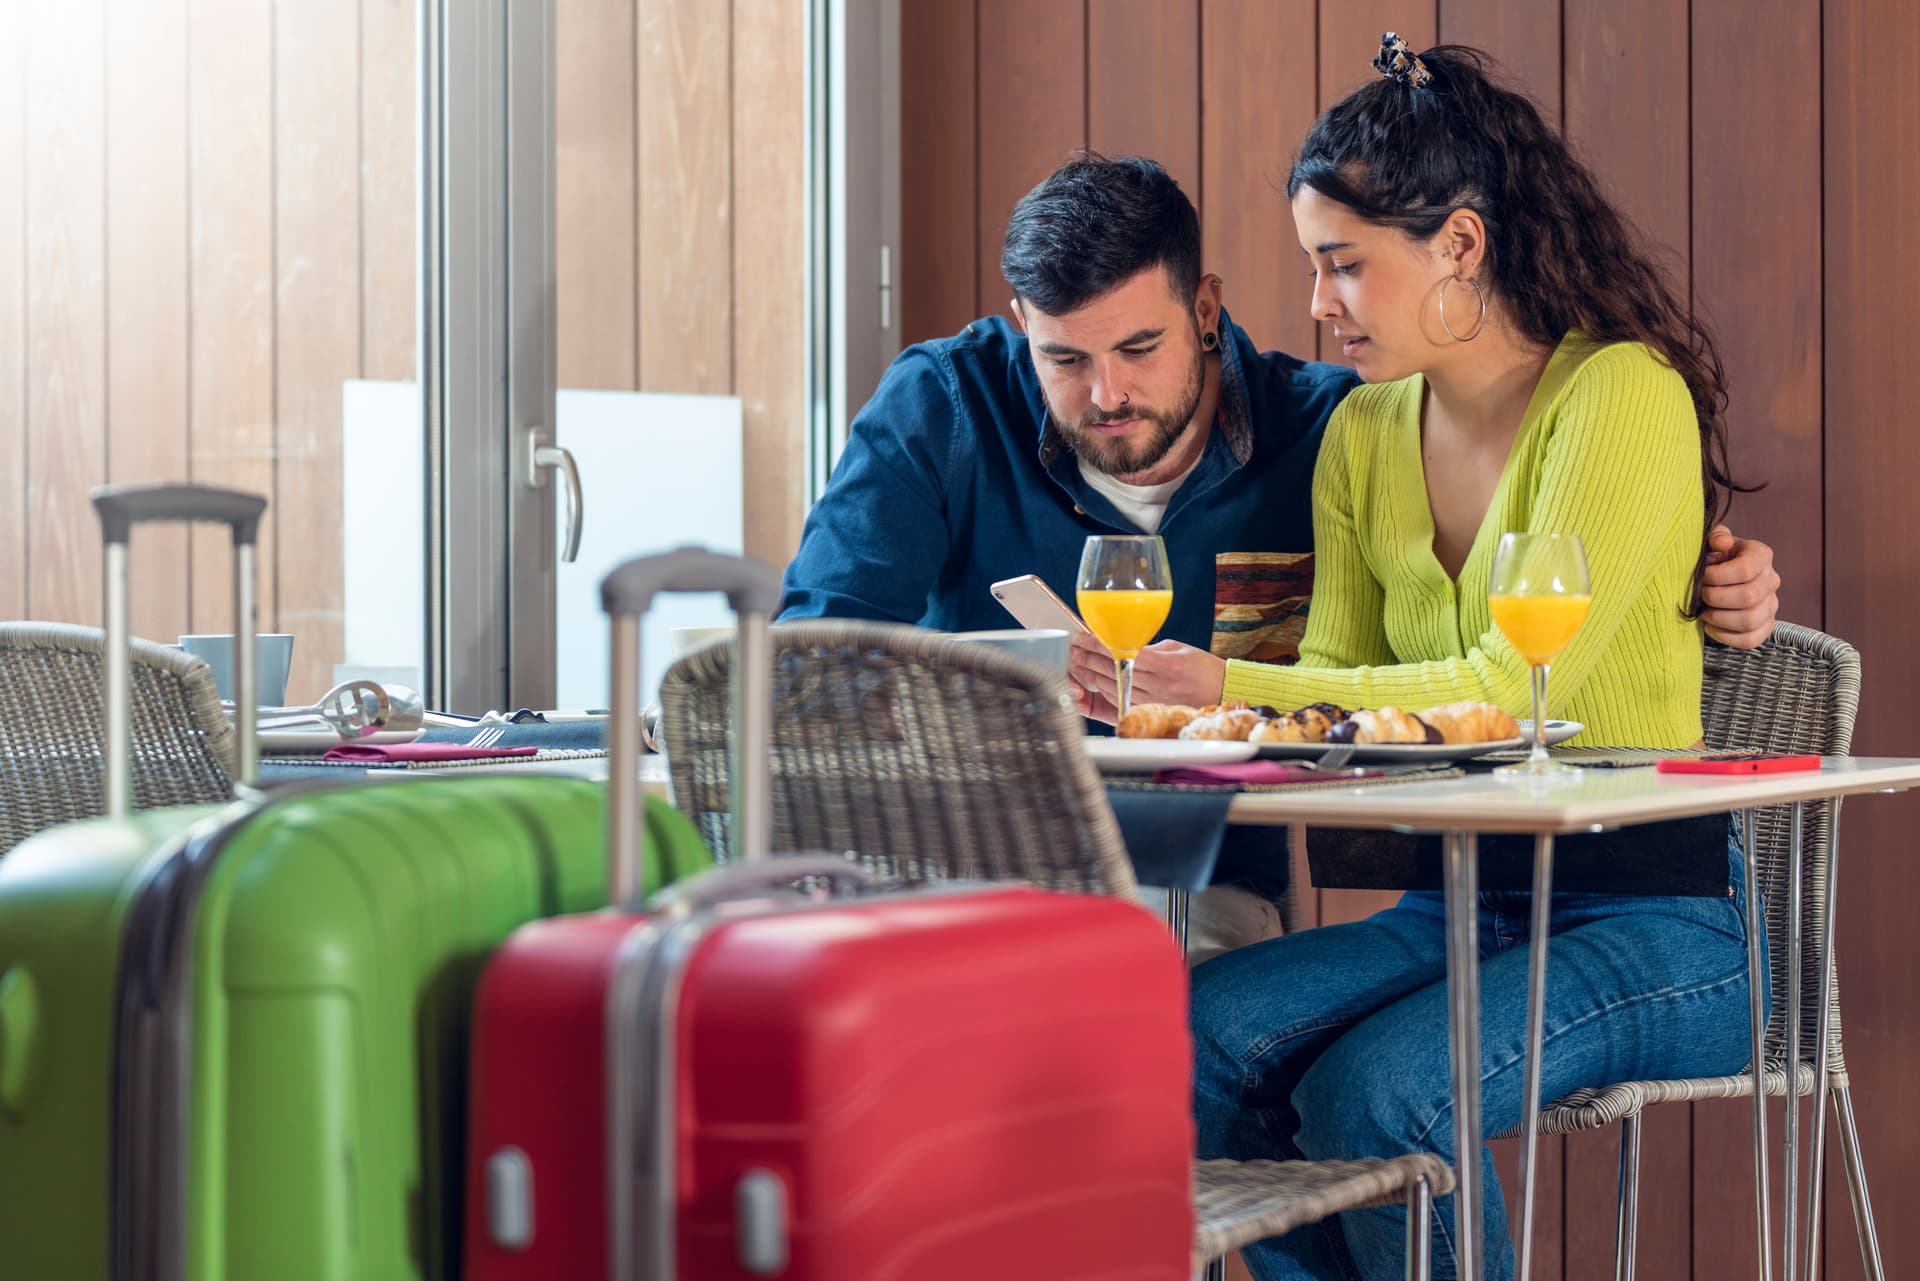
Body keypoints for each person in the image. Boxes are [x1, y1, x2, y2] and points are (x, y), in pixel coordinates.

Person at [780, 152, 1780, 954]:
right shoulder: (944, 407)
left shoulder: (1333, 436)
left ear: (1205, 308)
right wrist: (989, 681)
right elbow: (807, 657)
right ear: (1019, 333)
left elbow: (1509, 596)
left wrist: (1712, 577)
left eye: (1138, 349)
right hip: (963, 860)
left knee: (1165, 1030)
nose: (1107, 396)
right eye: (1064, 360)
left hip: (1203, 886)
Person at [1155, 36, 1764, 1279]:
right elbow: (1336, 677)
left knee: (1380, 1091)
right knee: (1190, 1032)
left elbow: (1504, 690)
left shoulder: (1622, 397)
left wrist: (1233, 689)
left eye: (1344, 267)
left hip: (1662, 918)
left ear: (1462, 247)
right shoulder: (1365, 431)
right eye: (1314, 267)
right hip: (1457, 906)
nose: (1320, 304)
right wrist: (1210, 720)